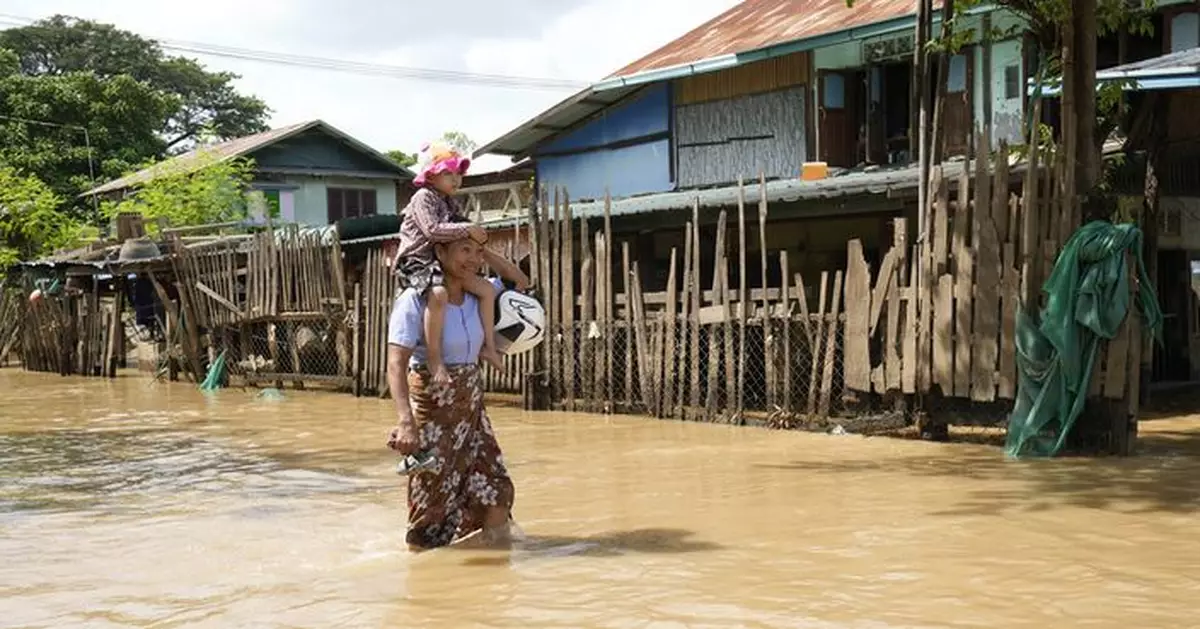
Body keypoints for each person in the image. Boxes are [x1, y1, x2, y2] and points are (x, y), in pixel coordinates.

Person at [386, 233, 531, 551]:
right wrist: (405, 421)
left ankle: (491, 570)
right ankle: (425, 573)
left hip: (472, 408)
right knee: (433, 501)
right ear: (439, 251)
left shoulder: (482, 295)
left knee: (496, 489)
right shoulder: (417, 299)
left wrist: (482, 250)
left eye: (476, 253)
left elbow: (520, 281)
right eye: (463, 250)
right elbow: (396, 364)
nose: (472, 259)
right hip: (434, 406)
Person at [393, 140, 524, 386]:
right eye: (447, 173)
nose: (456, 179)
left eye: (458, 173)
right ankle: (434, 358)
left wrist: (478, 237)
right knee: (439, 294)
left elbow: (464, 227)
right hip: (417, 260)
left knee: (485, 289)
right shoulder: (423, 197)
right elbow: (432, 231)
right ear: (430, 176)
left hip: (437, 260)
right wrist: (467, 228)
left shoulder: (449, 202)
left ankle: (488, 348)